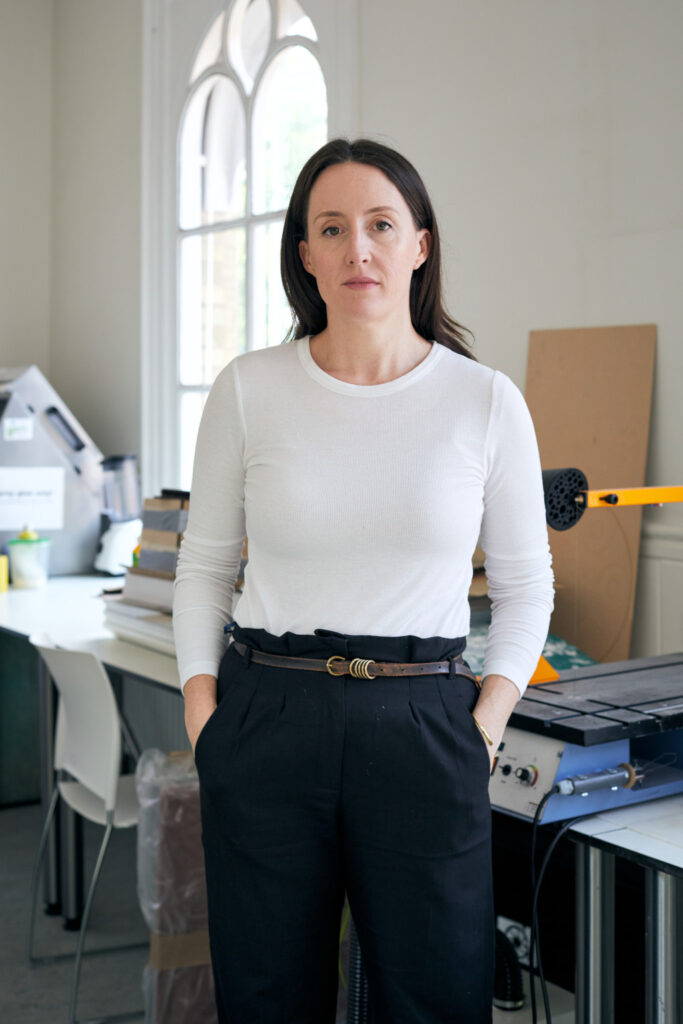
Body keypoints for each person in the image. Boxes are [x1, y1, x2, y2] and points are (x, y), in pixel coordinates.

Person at [173, 137, 554, 1024]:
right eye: (332, 229)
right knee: (267, 998)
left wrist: (484, 726)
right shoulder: (248, 388)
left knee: (436, 999)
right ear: (305, 255)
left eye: (381, 225)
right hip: (268, 712)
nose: (359, 249)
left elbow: (527, 586)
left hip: (425, 722)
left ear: (419, 243)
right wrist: (203, 716)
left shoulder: (484, 400)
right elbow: (203, 568)